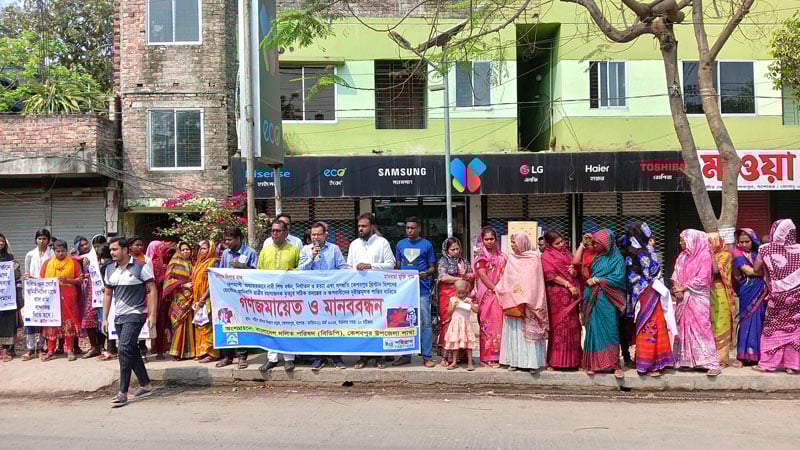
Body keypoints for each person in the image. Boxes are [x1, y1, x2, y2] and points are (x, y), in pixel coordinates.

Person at [102, 237, 157, 407]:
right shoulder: (110, 269)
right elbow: (108, 294)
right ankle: (145, 384)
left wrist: (152, 315)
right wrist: (104, 318)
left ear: (125, 250)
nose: (112, 253)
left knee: (124, 348)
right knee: (130, 349)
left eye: (115, 249)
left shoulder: (141, 267)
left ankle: (122, 392)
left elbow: (152, 290)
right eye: (111, 250)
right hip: (119, 316)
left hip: (136, 313)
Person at [625, 222, 675, 377]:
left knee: (658, 324)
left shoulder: (644, 248)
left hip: (653, 290)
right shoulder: (635, 252)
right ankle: (647, 365)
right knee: (648, 325)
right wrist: (647, 284)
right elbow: (637, 273)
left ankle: (658, 361)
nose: (649, 234)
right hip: (644, 292)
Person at [347, 213, 396, 369]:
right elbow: (349, 266)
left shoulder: (382, 243)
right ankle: (363, 357)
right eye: (359, 226)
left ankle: (379, 357)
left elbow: (391, 264)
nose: (360, 229)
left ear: (372, 227)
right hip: (359, 291)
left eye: (364, 226)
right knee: (362, 325)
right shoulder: (354, 244)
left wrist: (371, 266)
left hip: (378, 291)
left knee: (379, 323)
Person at [752, 219, 800, 374]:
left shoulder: (765, 250)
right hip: (797, 297)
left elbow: (756, 269)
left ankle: (767, 364)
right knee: (795, 329)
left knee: (772, 328)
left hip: (777, 298)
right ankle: (793, 365)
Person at [298, 222, 348, 370]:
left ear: (325, 234)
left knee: (334, 326)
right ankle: (319, 357)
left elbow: (342, 268)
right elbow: (300, 270)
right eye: (313, 234)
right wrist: (312, 257)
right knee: (316, 326)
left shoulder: (334, 249)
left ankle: (336, 357)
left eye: (318, 234)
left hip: (332, 295)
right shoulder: (306, 250)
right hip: (313, 296)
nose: (316, 237)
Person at [496, 232, 548, 371]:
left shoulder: (534, 258)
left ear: (522, 242)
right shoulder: (512, 259)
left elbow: (534, 282)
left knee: (528, 335)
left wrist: (525, 297)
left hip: (528, 302)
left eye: (515, 242)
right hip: (512, 302)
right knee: (514, 333)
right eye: (511, 243)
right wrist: (504, 290)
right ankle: (514, 361)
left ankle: (532, 363)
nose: (512, 246)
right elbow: (507, 279)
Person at [672, 229, 721, 377]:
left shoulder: (704, 256)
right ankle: (687, 360)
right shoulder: (682, 256)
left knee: (702, 329)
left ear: (692, 240)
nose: (680, 242)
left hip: (698, 299)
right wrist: (676, 288)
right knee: (684, 329)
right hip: (682, 297)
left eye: (683, 239)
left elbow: (703, 278)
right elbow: (675, 273)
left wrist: (683, 287)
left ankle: (711, 363)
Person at [582, 229, 626, 378]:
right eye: (594, 243)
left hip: (608, 300)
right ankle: (593, 364)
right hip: (593, 299)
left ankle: (614, 365)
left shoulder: (618, 259)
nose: (595, 246)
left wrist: (598, 280)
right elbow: (582, 267)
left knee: (610, 330)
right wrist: (585, 244)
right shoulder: (597, 258)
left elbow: (619, 278)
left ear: (607, 244)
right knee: (593, 330)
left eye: (598, 243)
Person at [393, 217, 437, 368]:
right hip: (405, 291)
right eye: (407, 228)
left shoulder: (427, 245)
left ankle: (427, 356)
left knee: (425, 323)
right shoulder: (400, 244)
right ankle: (405, 355)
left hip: (422, 290)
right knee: (403, 321)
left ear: (419, 228)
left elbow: (433, 267)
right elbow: (397, 267)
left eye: (412, 228)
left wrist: (426, 273)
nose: (409, 230)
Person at [258, 219, 300, 372]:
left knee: (288, 326)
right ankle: (272, 358)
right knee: (270, 327)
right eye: (273, 231)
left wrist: (292, 272)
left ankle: (289, 359)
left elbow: (300, 270)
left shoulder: (294, 250)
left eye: (278, 231)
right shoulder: (265, 250)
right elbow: (259, 271)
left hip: (288, 296)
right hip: (269, 295)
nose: (274, 233)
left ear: (286, 233)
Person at [216, 226, 258, 369]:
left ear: (238, 239)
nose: (226, 242)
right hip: (227, 295)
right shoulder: (226, 254)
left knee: (241, 325)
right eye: (225, 239)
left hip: (243, 296)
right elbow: (221, 271)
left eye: (229, 239)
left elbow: (257, 273)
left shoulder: (250, 252)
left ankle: (242, 357)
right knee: (226, 324)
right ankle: (227, 356)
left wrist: (242, 267)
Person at [541, 231, 582, 370]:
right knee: (559, 325)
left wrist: (573, 272)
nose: (561, 244)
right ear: (549, 244)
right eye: (557, 243)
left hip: (572, 295)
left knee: (573, 325)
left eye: (562, 241)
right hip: (557, 294)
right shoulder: (546, 256)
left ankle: (574, 361)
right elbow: (550, 275)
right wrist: (567, 285)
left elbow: (575, 269)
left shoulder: (567, 253)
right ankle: (557, 361)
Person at [39, 240, 82, 361]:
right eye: (58, 251)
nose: (60, 253)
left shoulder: (73, 263)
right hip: (51, 297)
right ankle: (51, 350)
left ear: (67, 250)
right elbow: (41, 280)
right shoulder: (47, 263)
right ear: (54, 251)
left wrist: (67, 280)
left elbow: (80, 280)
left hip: (69, 296)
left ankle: (69, 350)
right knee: (52, 322)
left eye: (63, 251)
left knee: (68, 322)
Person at [472, 226, 506, 368]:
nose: (489, 242)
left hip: (501, 293)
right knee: (488, 325)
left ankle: (499, 356)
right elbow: (482, 275)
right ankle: (487, 358)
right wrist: (494, 288)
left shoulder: (502, 255)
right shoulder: (481, 256)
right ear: (482, 240)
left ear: (496, 239)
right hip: (487, 294)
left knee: (499, 325)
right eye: (486, 239)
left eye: (491, 239)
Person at [732, 229, 766, 367]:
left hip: (761, 290)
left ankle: (757, 356)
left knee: (759, 321)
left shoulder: (759, 252)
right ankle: (742, 356)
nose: (744, 244)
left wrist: (762, 274)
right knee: (746, 320)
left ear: (753, 241)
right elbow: (748, 271)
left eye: (747, 241)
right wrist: (763, 273)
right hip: (747, 289)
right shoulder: (736, 253)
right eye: (741, 242)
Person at [436, 237, 473, 366]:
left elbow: (471, 276)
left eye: (458, 249)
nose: (456, 251)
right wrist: (459, 278)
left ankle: (461, 356)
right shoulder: (443, 261)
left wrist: (466, 276)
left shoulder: (464, 261)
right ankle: (446, 357)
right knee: (448, 323)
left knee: (462, 323)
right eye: (453, 249)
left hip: (462, 296)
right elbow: (443, 277)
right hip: (447, 295)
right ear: (447, 250)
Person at [22, 229, 53, 360]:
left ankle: (41, 347)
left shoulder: (52, 254)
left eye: (44, 238)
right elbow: (27, 273)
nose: (42, 241)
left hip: (47, 291)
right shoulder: (30, 255)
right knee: (30, 319)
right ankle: (30, 349)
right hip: (33, 291)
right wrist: (28, 277)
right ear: (35, 240)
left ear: (48, 240)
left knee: (43, 319)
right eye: (39, 238)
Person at [707, 232, 736, 368]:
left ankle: (722, 359)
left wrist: (711, 254)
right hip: (705, 294)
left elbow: (715, 270)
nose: (708, 245)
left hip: (720, 293)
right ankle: (709, 357)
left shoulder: (725, 255)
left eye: (710, 242)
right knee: (709, 326)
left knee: (721, 325)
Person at [164, 242, 195, 360]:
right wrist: (182, 285)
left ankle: (190, 352)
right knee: (179, 324)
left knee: (190, 325)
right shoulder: (174, 263)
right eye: (183, 250)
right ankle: (177, 352)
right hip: (179, 299)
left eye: (188, 249)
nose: (186, 252)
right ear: (179, 251)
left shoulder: (193, 263)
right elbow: (168, 281)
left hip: (191, 298)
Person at [192, 240, 220, 363]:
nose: (202, 251)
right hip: (197, 298)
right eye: (201, 249)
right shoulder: (198, 263)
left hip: (208, 297)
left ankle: (213, 353)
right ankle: (203, 351)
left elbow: (213, 282)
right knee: (200, 324)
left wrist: (203, 297)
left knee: (208, 324)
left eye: (205, 249)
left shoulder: (214, 262)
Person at [443, 280, 477, 371]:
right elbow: (449, 313)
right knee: (455, 343)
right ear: (455, 291)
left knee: (468, 343)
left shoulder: (468, 300)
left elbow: (476, 310)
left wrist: (470, 303)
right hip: (455, 324)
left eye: (463, 293)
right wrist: (454, 306)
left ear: (466, 291)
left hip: (465, 324)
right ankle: (454, 361)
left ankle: (470, 362)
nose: (461, 295)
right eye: (459, 293)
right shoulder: (453, 299)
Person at [151, 241, 177, 360]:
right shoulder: (155, 263)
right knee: (160, 324)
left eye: (172, 253)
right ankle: (159, 349)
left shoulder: (177, 262)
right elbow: (153, 280)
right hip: (160, 297)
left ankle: (175, 348)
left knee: (175, 323)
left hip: (175, 296)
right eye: (168, 252)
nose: (170, 255)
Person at [0, 234, 22, 362]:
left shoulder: (10, 258)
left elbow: (17, 275)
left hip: (7, 297)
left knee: (7, 322)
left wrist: (13, 268)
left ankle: (6, 350)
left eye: (2, 241)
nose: (0, 244)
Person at [96, 243, 119, 361]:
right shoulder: (114, 264)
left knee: (109, 321)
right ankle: (112, 348)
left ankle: (111, 349)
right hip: (114, 296)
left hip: (110, 297)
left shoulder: (107, 266)